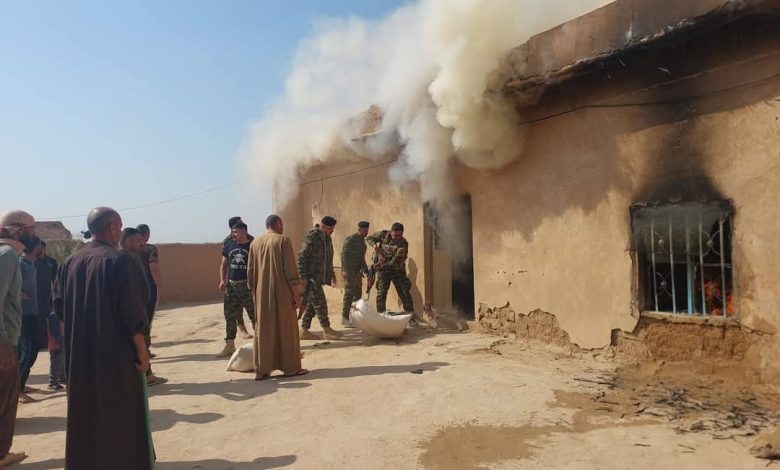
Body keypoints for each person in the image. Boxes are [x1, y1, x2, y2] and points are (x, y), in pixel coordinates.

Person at [54, 207, 153, 470]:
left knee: (84, 413)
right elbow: (131, 313)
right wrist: (142, 351)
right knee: (119, 414)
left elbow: (59, 310)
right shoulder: (120, 261)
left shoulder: (69, 262)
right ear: (112, 228)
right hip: (115, 357)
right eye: (119, 227)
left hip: (79, 356)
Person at [248, 215, 307, 379]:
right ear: (278, 224)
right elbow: (290, 271)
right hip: (282, 293)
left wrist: (254, 294)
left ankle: (262, 370)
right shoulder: (283, 241)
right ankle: (291, 368)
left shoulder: (254, 243)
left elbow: (250, 273)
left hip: (261, 294)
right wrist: (296, 295)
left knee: (264, 330)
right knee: (287, 329)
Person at [0, 210, 34, 468]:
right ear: (17, 229)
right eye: (30, 229)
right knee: (5, 401)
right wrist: (3, 344)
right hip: (3, 343)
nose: (34, 234)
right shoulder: (8, 255)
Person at [121, 228, 166, 386]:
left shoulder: (130, 258)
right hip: (134, 309)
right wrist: (158, 287)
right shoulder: (123, 261)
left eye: (142, 240)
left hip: (136, 306)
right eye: (138, 241)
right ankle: (146, 375)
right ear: (126, 241)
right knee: (141, 338)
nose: (142, 244)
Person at [298, 216, 342, 340]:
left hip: (320, 277)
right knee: (320, 303)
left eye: (333, 228)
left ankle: (304, 330)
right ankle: (327, 330)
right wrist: (302, 276)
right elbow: (301, 256)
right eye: (330, 228)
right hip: (311, 278)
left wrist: (331, 273)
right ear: (323, 226)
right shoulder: (312, 237)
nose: (332, 231)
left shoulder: (327, 239)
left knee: (313, 305)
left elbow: (328, 258)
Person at [217, 221, 256, 357]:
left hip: (247, 286)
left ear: (244, 231)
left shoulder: (253, 245)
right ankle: (230, 345)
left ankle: (261, 342)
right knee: (230, 316)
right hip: (231, 286)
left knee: (255, 315)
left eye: (236, 232)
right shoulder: (229, 245)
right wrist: (222, 280)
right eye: (233, 231)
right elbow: (223, 265)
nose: (233, 234)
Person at [366, 222, 415, 320]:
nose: (397, 238)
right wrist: (374, 245)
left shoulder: (403, 243)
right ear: (391, 232)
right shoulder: (383, 235)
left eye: (400, 235)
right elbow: (369, 238)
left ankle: (410, 316)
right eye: (395, 235)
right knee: (381, 293)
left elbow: (395, 261)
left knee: (404, 292)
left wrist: (380, 267)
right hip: (383, 272)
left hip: (397, 270)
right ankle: (381, 316)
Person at [17, 236, 42, 404]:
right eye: (39, 246)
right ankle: (17, 390)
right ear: (35, 247)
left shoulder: (30, 264)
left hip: (33, 312)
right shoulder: (19, 263)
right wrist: (17, 293)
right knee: (28, 351)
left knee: (31, 350)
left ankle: (21, 384)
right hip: (24, 314)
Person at [221, 217, 253, 338]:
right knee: (234, 310)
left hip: (247, 282)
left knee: (252, 310)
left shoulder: (251, 240)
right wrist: (223, 279)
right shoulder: (228, 242)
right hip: (233, 281)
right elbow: (225, 262)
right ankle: (241, 328)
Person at [136, 224, 160, 356]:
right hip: (148, 287)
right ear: (146, 234)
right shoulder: (149, 249)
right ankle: (144, 349)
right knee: (146, 319)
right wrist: (159, 285)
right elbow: (153, 268)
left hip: (132, 289)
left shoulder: (126, 249)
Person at [340, 221, 369, 327]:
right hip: (349, 271)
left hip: (357, 272)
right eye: (364, 231)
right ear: (359, 229)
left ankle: (354, 317)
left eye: (367, 231)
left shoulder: (363, 243)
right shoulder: (350, 239)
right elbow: (344, 255)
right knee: (349, 294)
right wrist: (344, 270)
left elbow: (362, 258)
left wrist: (365, 268)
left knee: (358, 294)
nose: (366, 233)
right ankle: (344, 317)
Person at [35, 240, 57, 348]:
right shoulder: (32, 262)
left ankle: (45, 341)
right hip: (34, 295)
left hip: (47, 295)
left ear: (44, 248)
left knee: (46, 318)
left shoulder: (51, 262)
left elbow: (55, 280)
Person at [46, 311, 65, 391]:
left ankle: (60, 378)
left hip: (59, 344)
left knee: (60, 363)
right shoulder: (53, 316)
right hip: (55, 345)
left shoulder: (58, 315)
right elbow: (55, 331)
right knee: (56, 364)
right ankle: (52, 382)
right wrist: (60, 340)